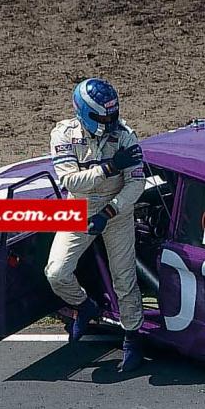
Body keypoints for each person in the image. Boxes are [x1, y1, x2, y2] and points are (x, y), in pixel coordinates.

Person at [44, 78, 146, 371]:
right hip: (78, 207)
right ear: (85, 113)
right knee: (56, 273)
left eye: (113, 114)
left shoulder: (126, 136)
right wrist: (110, 167)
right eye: (104, 116)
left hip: (117, 211)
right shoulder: (62, 135)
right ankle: (84, 305)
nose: (110, 121)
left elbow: (136, 184)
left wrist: (110, 213)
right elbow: (71, 181)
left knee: (124, 279)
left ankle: (132, 337)